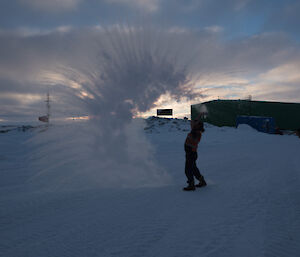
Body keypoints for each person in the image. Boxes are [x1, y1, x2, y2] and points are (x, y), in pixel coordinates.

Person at [183, 119, 207, 191]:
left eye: (194, 124)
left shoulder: (196, 133)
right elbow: (192, 123)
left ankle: (191, 185)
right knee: (193, 169)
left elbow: (193, 141)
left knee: (188, 170)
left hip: (191, 154)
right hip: (191, 153)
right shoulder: (195, 131)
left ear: (197, 126)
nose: (192, 125)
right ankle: (202, 181)